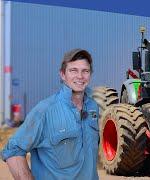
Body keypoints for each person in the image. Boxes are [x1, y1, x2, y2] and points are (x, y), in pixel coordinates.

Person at [1, 49, 99, 180]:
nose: (80, 76)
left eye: (85, 71)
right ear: (62, 74)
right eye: (73, 70)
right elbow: (13, 150)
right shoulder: (44, 111)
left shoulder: (93, 107)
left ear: (90, 75)